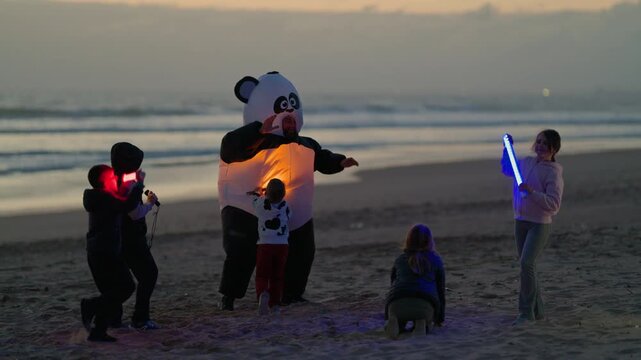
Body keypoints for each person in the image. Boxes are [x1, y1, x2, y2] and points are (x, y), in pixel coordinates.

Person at [217, 72, 359, 310]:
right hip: (245, 207)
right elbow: (229, 148)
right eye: (285, 117)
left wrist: (339, 162)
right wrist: (257, 130)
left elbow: (322, 159)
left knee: (302, 252)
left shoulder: (305, 145)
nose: (289, 121)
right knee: (241, 253)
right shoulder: (249, 141)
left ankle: (291, 294)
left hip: (294, 211)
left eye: (293, 117)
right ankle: (229, 297)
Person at [501, 130, 564, 326]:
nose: (540, 146)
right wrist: (506, 149)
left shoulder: (553, 172)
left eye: (545, 143)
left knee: (526, 264)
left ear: (553, 148)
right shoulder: (527, 162)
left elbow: (554, 205)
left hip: (539, 224)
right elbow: (508, 170)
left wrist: (532, 192)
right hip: (520, 220)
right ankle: (538, 310)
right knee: (528, 267)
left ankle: (526, 313)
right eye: (538, 142)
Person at [81, 164, 142, 341]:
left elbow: (121, 197)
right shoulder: (103, 198)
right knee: (126, 287)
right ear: (101, 182)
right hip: (104, 251)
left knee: (111, 292)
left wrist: (131, 180)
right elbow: (127, 204)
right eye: (110, 177)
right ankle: (90, 305)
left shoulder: (102, 196)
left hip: (102, 250)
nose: (114, 179)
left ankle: (98, 331)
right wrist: (138, 186)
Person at [110, 142, 160, 330]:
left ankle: (114, 319)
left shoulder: (113, 179)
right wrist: (149, 203)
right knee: (149, 274)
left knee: (120, 280)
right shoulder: (131, 184)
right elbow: (134, 213)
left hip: (117, 237)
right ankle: (140, 318)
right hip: (131, 238)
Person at [384, 224, 445, 339]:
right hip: (424, 303)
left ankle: (396, 322)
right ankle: (421, 324)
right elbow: (440, 291)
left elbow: (393, 286)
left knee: (399, 317)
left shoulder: (400, 260)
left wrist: (387, 314)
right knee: (425, 318)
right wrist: (439, 319)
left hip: (396, 304)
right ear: (429, 241)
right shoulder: (436, 260)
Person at [248, 178, 291, 315]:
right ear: (284, 194)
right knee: (277, 275)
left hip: (264, 245)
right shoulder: (285, 207)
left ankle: (262, 295)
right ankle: (275, 302)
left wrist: (258, 193)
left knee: (262, 275)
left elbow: (253, 200)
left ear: (266, 193)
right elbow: (290, 216)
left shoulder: (261, 205)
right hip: (282, 246)